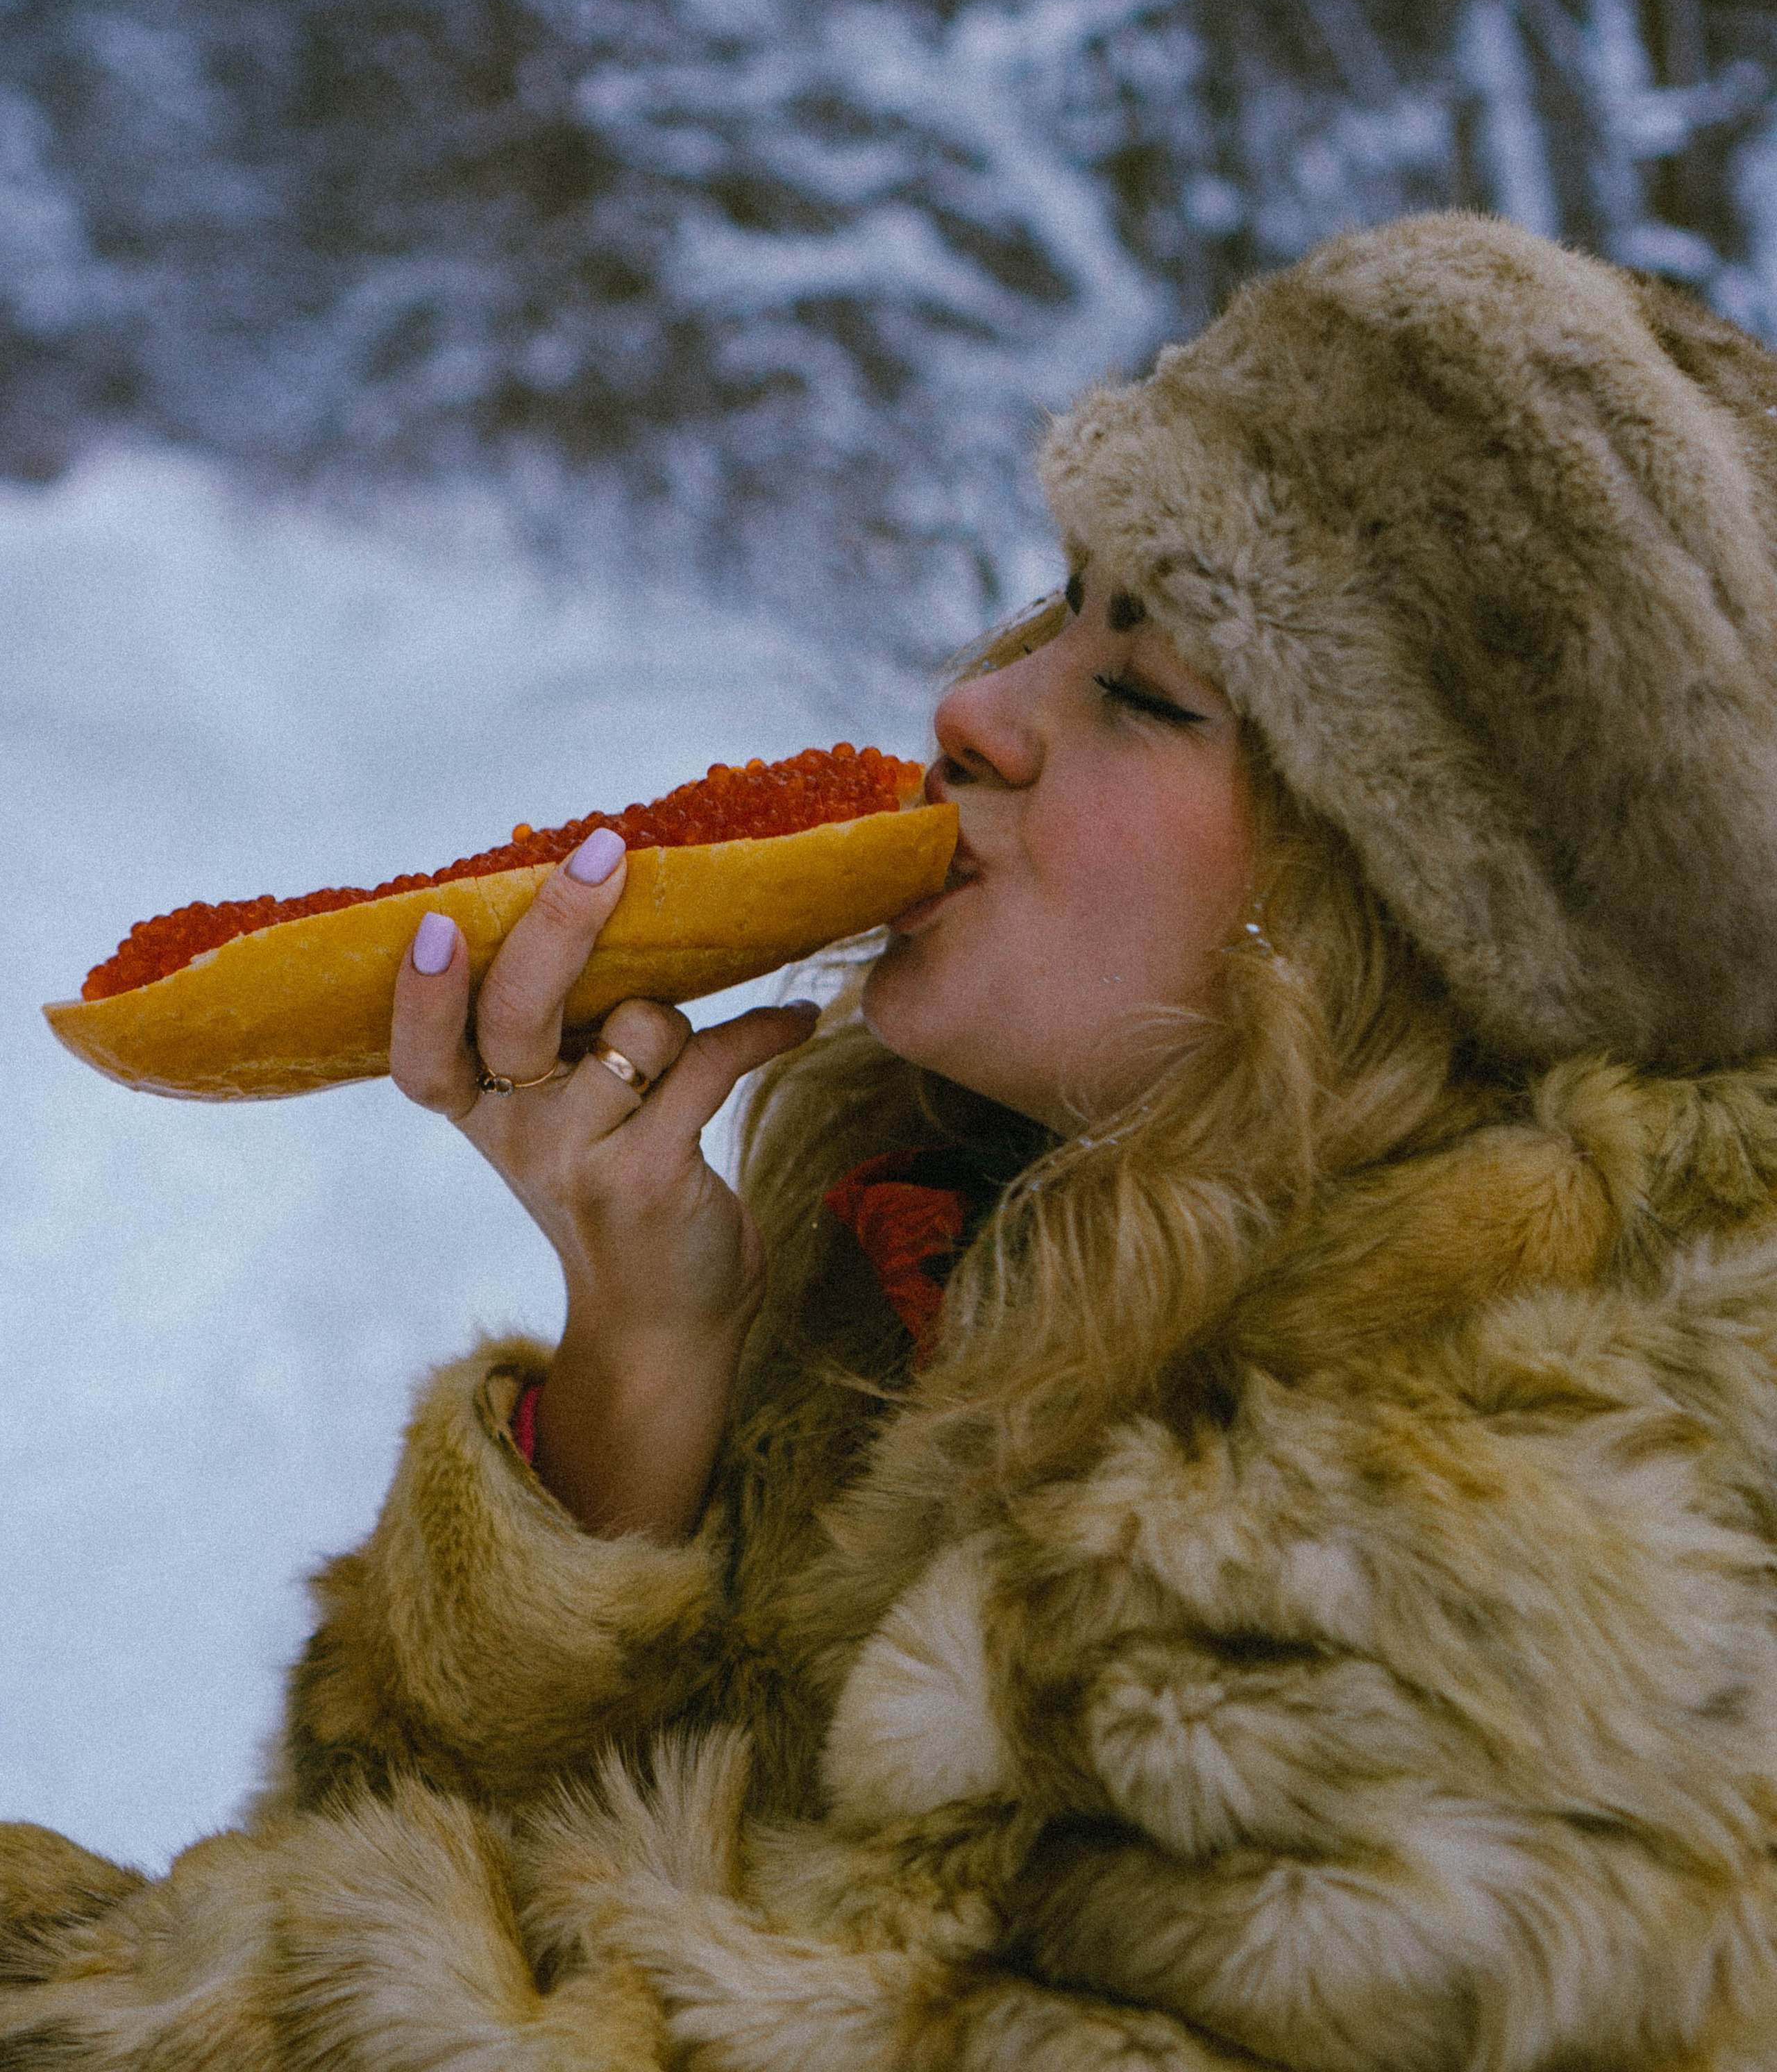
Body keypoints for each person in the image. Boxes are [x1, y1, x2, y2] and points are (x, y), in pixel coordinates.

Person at [8, 208, 1777, 2072]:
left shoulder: (1521, 1565)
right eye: (1062, 602)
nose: (975, 710)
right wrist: (637, 1402)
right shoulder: (962, 1255)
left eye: (1147, 691)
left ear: (1411, 938)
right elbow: (437, 1881)